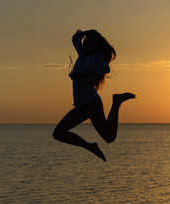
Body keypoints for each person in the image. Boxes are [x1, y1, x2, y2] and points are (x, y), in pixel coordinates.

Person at [53, 29, 135, 161]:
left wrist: (84, 75)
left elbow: (105, 68)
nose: (89, 44)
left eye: (93, 42)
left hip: (91, 103)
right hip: (81, 105)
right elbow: (75, 38)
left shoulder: (97, 57)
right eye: (88, 40)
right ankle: (90, 147)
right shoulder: (82, 54)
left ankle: (117, 102)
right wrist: (87, 32)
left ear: (98, 45)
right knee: (58, 134)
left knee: (109, 137)